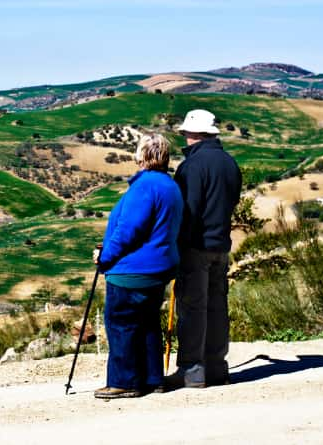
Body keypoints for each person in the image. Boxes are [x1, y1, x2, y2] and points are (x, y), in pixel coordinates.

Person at [94, 133, 183, 399]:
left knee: (121, 323)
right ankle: (153, 378)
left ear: (141, 155)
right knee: (147, 323)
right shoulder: (170, 186)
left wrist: (105, 256)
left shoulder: (144, 187)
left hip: (131, 271)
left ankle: (124, 382)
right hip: (159, 268)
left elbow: (128, 230)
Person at [168, 108, 242, 389]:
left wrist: (177, 247)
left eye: (186, 133)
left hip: (195, 247)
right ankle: (216, 367)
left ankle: (191, 369)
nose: (184, 138)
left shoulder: (192, 166)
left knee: (193, 308)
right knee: (216, 307)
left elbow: (187, 211)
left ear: (193, 134)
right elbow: (232, 202)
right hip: (221, 245)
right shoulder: (229, 163)